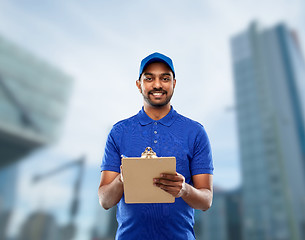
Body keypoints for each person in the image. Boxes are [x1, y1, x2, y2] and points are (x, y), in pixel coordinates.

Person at [98, 52, 214, 240]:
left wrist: (184, 190)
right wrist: (122, 179)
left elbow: (206, 201)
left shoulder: (195, 132)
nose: (158, 85)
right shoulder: (119, 132)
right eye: (149, 78)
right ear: (139, 84)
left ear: (174, 83)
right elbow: (105, 200)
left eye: (165, 78)